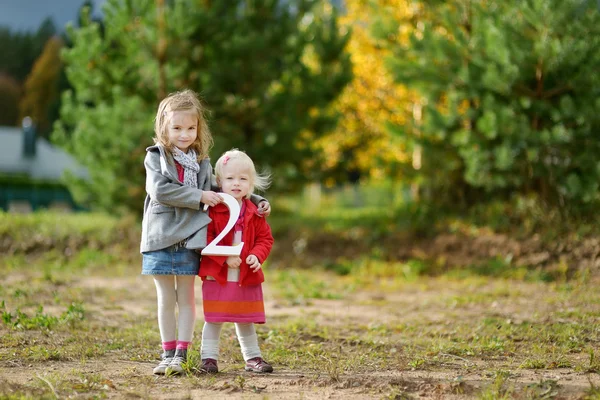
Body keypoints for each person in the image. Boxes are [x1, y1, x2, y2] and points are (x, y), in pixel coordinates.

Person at [141, 90, 270, 376]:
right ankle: (167, 351)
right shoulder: (156, 158)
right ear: (164, 127)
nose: (184, 134)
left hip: (191, 240)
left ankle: (182, 353)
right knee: (165, 297)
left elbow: (223, 188)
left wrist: (257, 200)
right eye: (176, 128)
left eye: (190, 128)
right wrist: (199, 195)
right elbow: (159, 190)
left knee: (186, 298)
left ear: (198, 129)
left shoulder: (201, 163)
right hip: (161, 237)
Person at [199, 149, 275, 374]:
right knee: (214, 317)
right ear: (220, 182)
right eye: (230, 178)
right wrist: (224, 256)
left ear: (251, 184)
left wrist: (257, 255)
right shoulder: (213, 210)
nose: (236, 183)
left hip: (245, 275)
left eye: (243, 179)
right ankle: (208, 358)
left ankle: (252, 357)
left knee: (245, 318)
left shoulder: (255, 212)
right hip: (219, 275)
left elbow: (265, 238)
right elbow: (206, 238)